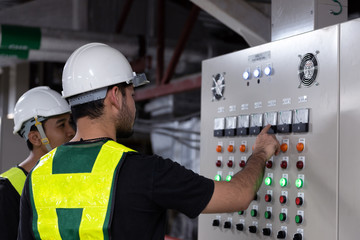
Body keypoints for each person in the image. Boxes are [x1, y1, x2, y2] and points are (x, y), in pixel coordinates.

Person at [18, 43, 280, 239]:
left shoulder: (38, 177)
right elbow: (239, 196)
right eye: (131, 95)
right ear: (115, 96)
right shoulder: (145, 171)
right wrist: (260, 153)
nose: (133, 104)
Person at [0, 86, 75, 239]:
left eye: (70, 122)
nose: (71, 131)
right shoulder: (6, 191)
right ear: (35, 138)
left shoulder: (69, 180)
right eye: (62, 125)